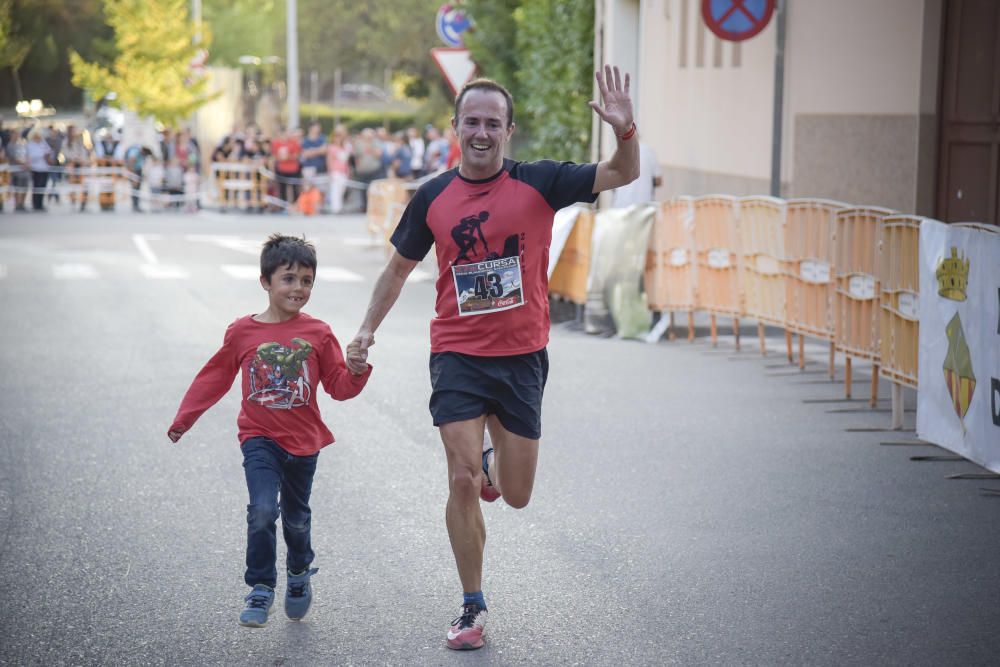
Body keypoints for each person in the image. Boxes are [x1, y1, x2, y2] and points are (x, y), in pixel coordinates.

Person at [344, 64, 638, 650]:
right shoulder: (431, 196)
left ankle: (490, 461)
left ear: (509, 130)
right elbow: (398, 269)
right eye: (471, 121)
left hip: (522, 358)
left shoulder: (542, 182)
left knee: (517, 493)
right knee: (459, 479)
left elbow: (619, 175)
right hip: (457, 353)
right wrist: (364, 332)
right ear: (455, 127)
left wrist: (625, 132)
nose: (481, 132)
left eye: (492, 123)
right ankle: (471, 606)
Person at [167, 234, 372, 628]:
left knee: (296, 519)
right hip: (259, 437)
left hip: (305, 442)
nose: (299, 288)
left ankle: (298, 573)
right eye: (289, 279)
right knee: (262, 511)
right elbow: (215, 377)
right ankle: (260, 587)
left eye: (307, 281)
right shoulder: (243, 332)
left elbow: (339, 386)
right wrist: (184, 418)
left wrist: (357, 369)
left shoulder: (318, 332)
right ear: (266, 282)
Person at [610, 134, 662, 208]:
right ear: (637, 136)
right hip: (643, 206)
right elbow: (658, 181)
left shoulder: (618, 152)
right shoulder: (650, 152)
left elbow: (611, 183)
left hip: (621, 206)